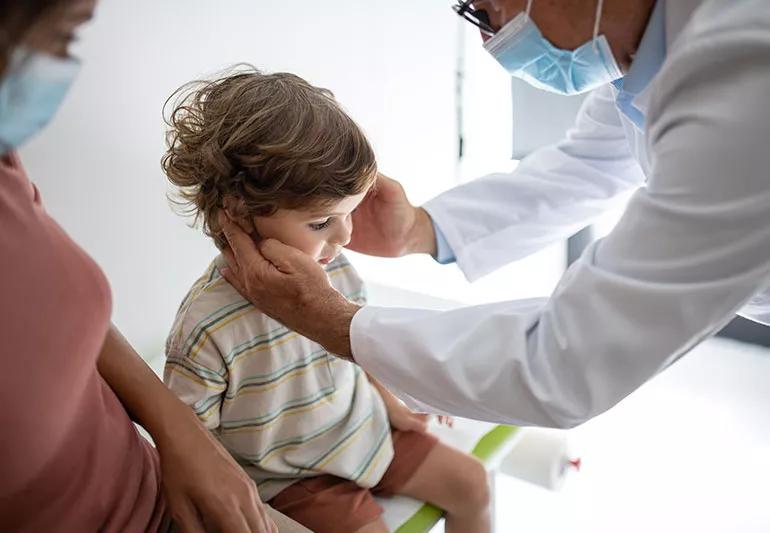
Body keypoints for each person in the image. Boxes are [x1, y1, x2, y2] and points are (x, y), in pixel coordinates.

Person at [216, 0, 770, 428]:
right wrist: (419, 230)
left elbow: (564, 362)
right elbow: (590, 167)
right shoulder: (650, 57)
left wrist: (334, 321)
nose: (489, 38)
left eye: (486, 10)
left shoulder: (742, 79)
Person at [0, 2, 305, 531]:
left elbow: (52, 305)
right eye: (63, 38)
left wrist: (180, 435)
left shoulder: (4, 161)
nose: (65, 65)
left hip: (169, 493)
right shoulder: (208, 326)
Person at [161, 69, 491, 533]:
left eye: (349, 212)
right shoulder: (208, 325)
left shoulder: (336, 270)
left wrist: (391, 404)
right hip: (292, 475)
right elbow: (190, 439)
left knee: (474, 484)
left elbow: (355, 348)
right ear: (238, 212)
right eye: (322, 223)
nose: (347, 234)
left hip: (364, 430)